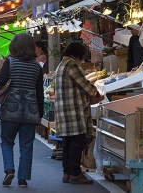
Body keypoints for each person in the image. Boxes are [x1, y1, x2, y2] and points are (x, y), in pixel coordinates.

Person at [0, 34, 44, 188]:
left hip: (11, 108)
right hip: (31, 110)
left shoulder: (10, 62)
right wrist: (40, 114)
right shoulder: (37, 66)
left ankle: (9, 169)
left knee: (7, 141)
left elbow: (0, 81)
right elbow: (39, 93)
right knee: (26, 145)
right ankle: (23, 179)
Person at [53, 41, 101, 185]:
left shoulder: (61, 64)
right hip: (73, 111)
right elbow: (85, 85)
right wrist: (96, 92)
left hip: (64, 110)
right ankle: (75, 173)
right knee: (77, 141)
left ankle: (67, 173)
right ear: (78, 54)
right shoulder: (71, 65)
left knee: (68, 142)